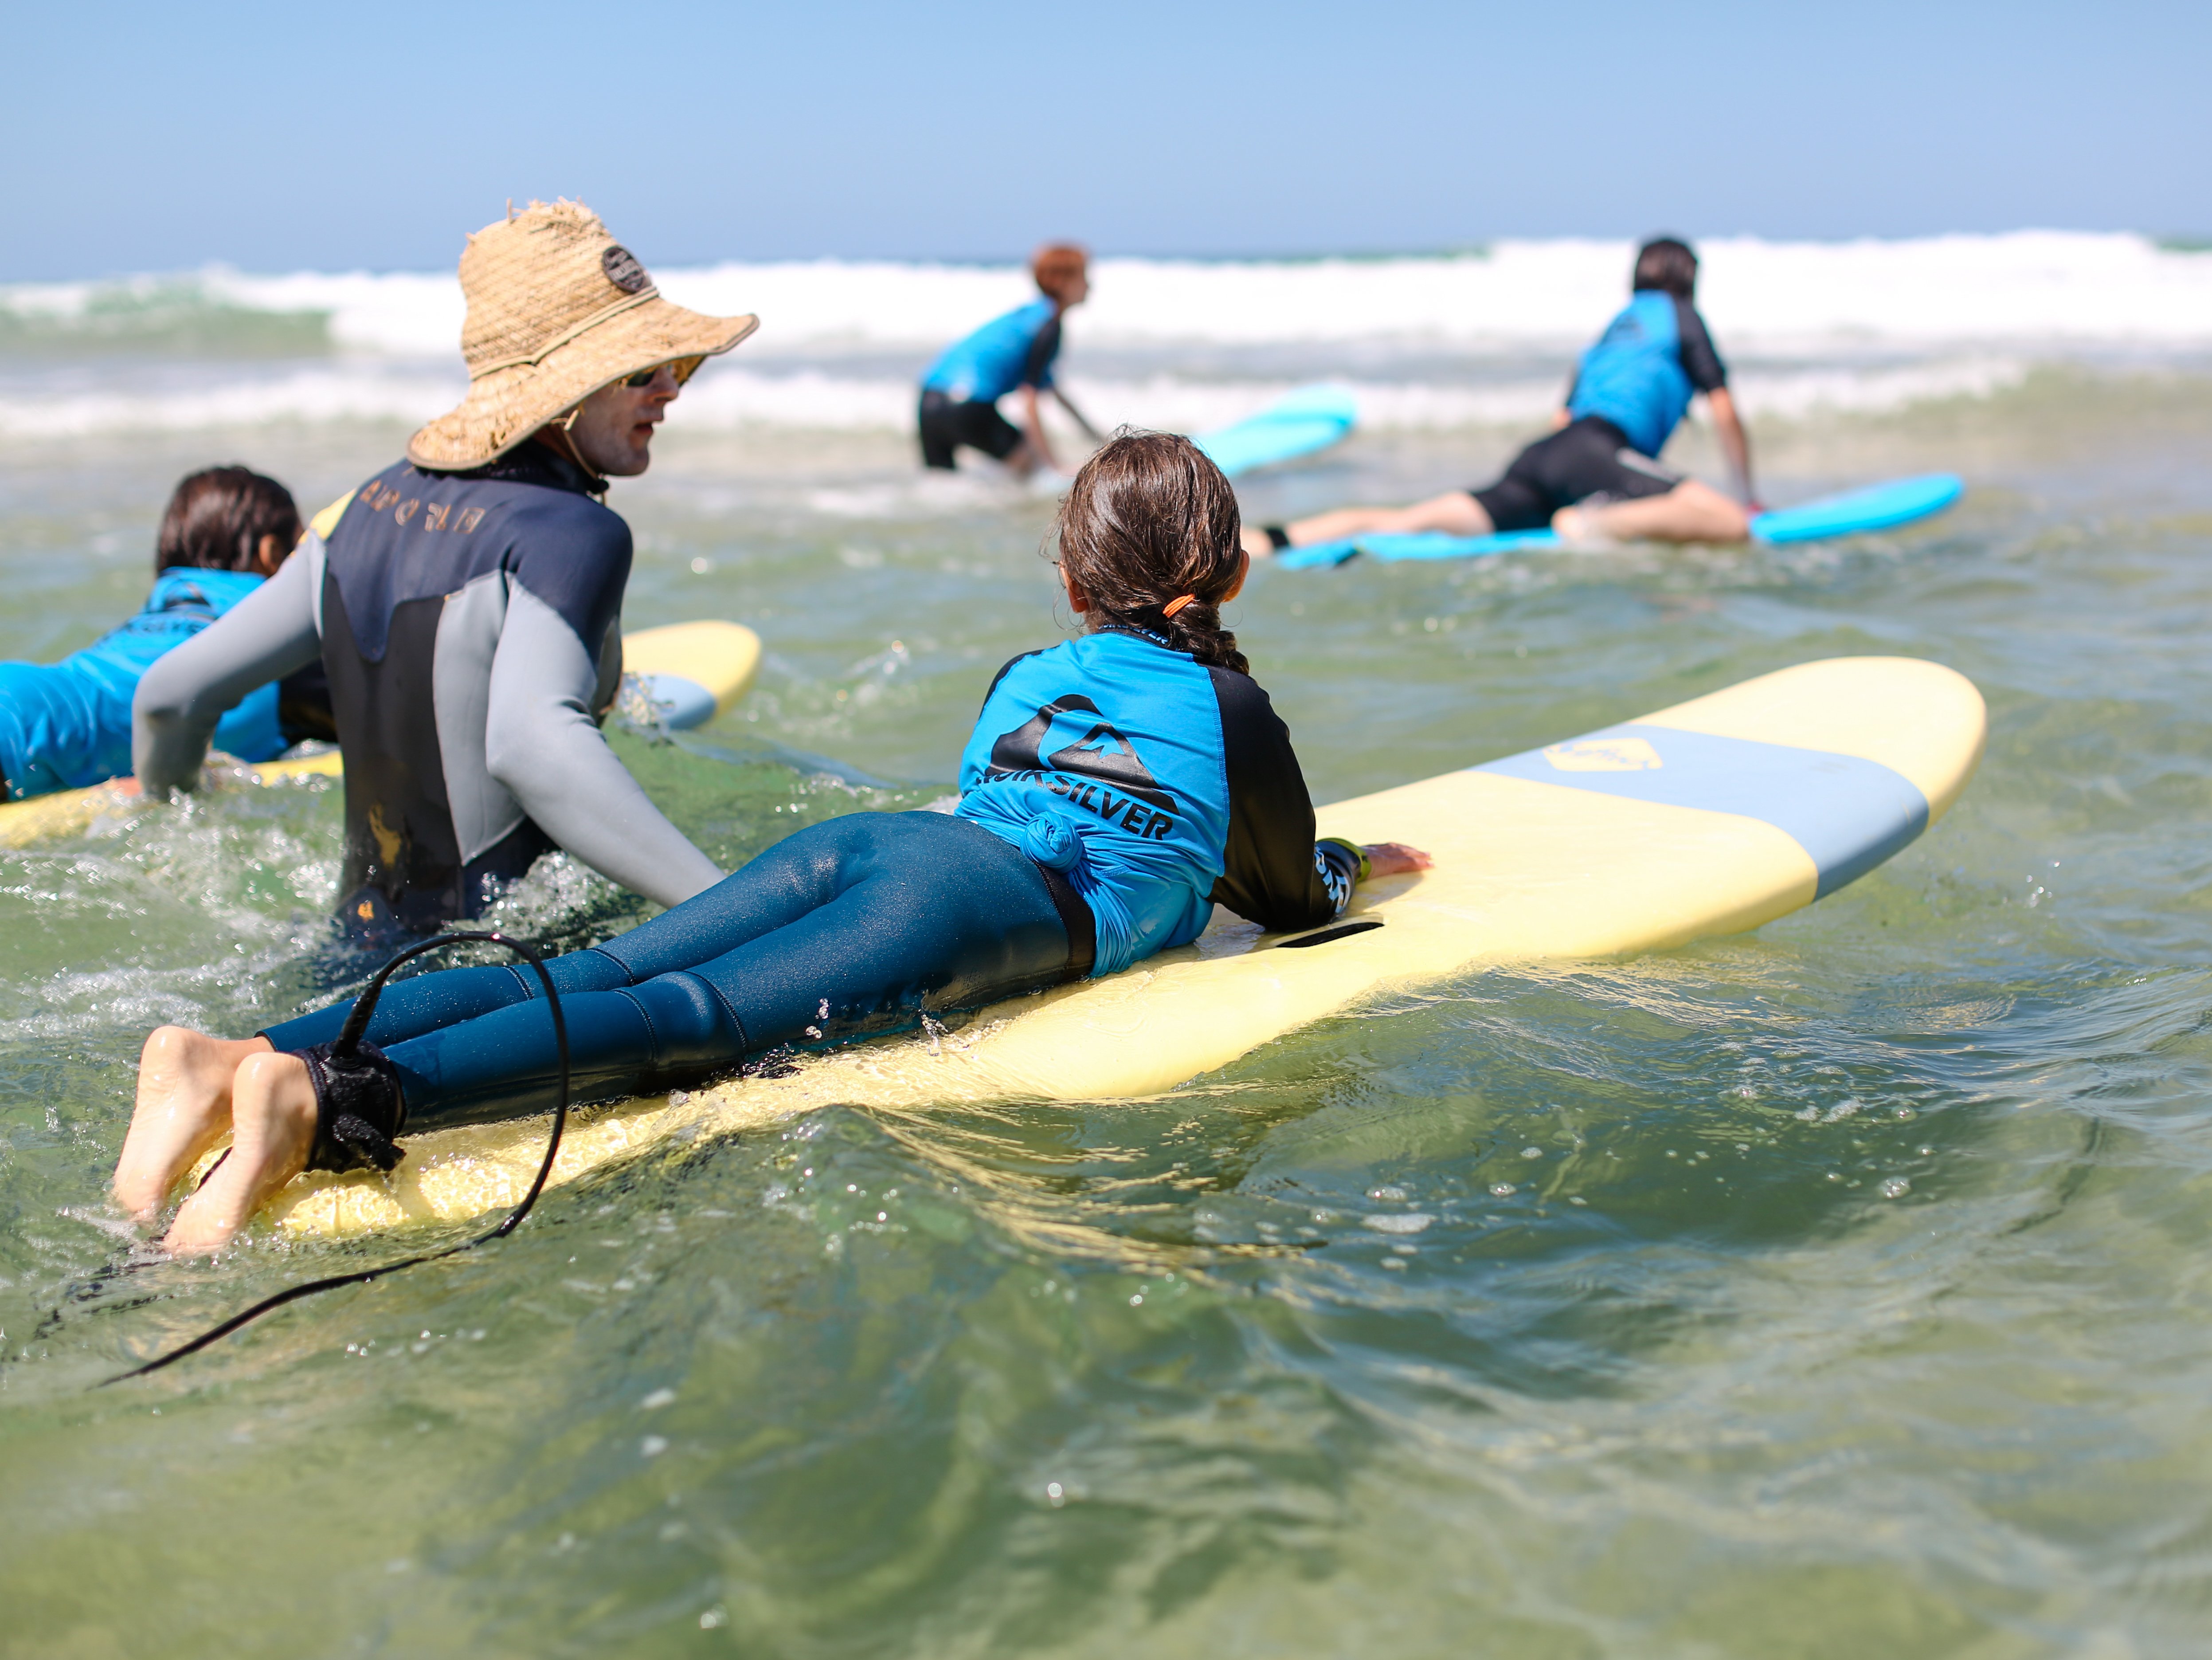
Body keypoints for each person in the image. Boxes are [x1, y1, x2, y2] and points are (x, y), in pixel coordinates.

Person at [112, 431, 1431, 1252]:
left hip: (869, 847)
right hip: (970, 904)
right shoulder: (1230, 704)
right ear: (1234, 573)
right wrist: (1350, 864)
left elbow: (1010, 802)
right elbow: (1281, 895)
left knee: (597, 975)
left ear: (1075, 583)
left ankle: (243, 1049)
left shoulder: (1031, 668)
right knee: (685, 1022)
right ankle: (338, 1099)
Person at [131, 200, 759, 936]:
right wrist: (739, 913)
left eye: (678, 363)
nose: (672, 388)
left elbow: (170, 695)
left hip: (347, 949)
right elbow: (531, 746)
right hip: (502, 971)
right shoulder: (574, 534)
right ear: (563, 391)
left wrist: (175, 824)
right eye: (641, 369)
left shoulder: (358, 510)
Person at [1241, 237, 1758, 557]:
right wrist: (1746, 493)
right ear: (1688, 280)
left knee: (1409, 520)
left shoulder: (1609, 336)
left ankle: (1269, 541)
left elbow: (1564, 416)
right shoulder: (1682, 317)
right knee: (1728, 523)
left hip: (1544, 458)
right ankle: (1592, 521)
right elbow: (1724, 410)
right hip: (1594, 454)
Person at [0, 466, 330, 802]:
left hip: (27, 700)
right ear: (272, 554)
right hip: (34, 726)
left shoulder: (160, 611)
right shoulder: (281, 651)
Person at [918, 243, 1099, 477]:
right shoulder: (1048, 325)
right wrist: (1052, 466)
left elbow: (1053, 392)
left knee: (942, 487)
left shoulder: (1027, 316)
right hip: (968, 407)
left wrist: (1098, 438)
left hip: (929, 400)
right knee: (1030, 469)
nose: (1090, 286)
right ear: (1062, 282)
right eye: (1083, 277)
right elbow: (1030, 399)